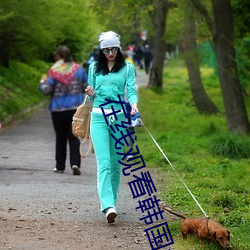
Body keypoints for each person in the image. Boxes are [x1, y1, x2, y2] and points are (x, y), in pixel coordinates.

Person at [85, 31, 138, 223]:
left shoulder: (127, 68)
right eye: (106, 50)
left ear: (119, 48)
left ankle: (112, 201)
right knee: (104, 162)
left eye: (113, 49)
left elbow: (131, 90)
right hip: (98, 118)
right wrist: (90, 92)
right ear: (101, 50)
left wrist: (133, 104)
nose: (110, 53)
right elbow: (91, 97)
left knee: (116, 164)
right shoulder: (93, 68)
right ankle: (107, 205)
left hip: (120, 118)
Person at [39, 45, 88, 175]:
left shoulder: (54, 71)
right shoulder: (79, 70)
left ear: (58, 57)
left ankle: (60, 166)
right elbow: (86, 87)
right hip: (75, 109)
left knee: (60, 138)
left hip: (58, 109)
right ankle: (75, 163)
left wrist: (42, 83)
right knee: (74, 137)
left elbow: (47, 90)